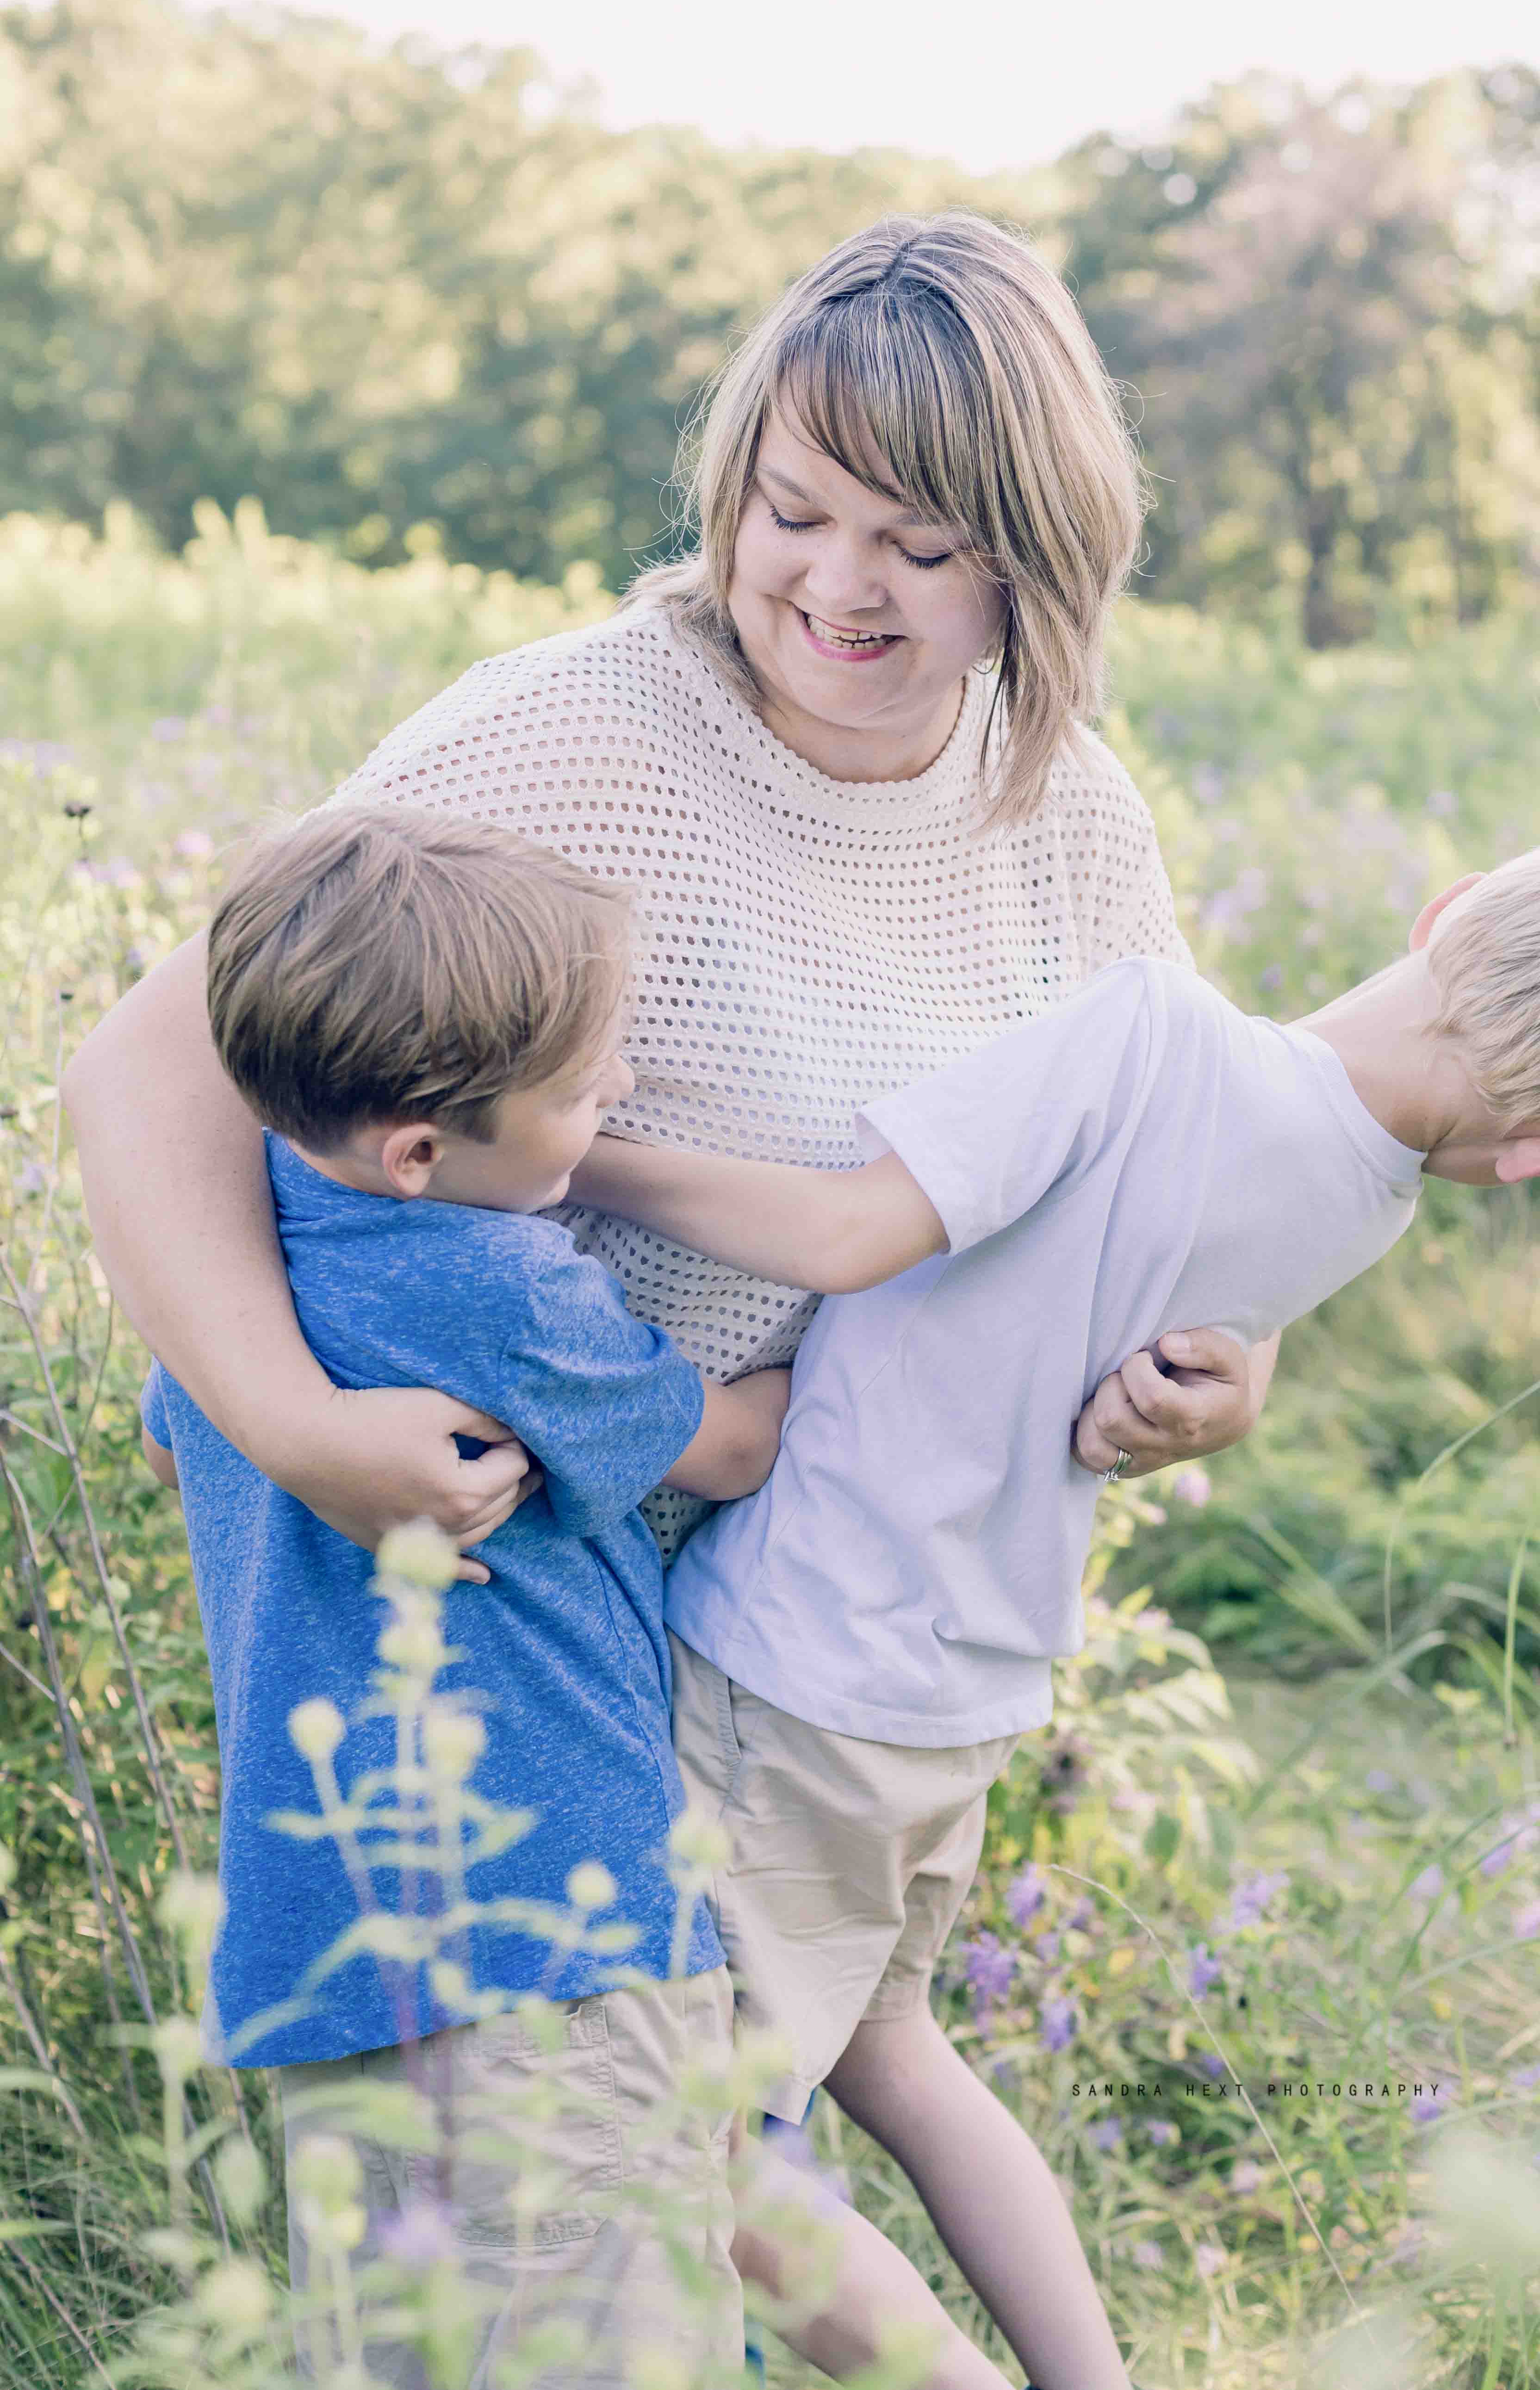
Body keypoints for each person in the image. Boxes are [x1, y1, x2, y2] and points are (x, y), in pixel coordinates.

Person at [68, 209, 1278, 2388]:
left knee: (707, 2172)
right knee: (605, 2191)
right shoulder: (582, 736)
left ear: (1037, 558)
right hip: (536, 1602)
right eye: (787, 513)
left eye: (914, 542)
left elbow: (1160, 1157)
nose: (831, 585)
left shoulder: (1060, 807)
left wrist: (1215, 1361)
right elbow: (158, 1060)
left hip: (820, 1617)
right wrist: (286, 1420)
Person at [568, 830, 1540, 2381]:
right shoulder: (1367, 1202)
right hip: (974, 1687)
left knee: (694, 2151)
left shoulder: (1148, 1029)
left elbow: (847, 1231)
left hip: (806, 1659)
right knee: (896, 2050)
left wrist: (564, 1147)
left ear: (1448, 908)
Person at [134, 804, 1017, 2390]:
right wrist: (884, 1331)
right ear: (423, 1151)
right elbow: (732, 1444)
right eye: (582, 1086)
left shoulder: (244, 1257)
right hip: (554, 1919)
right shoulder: (508, 1287)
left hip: (328, 1925)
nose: (615, 1095)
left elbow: (163, 1433)